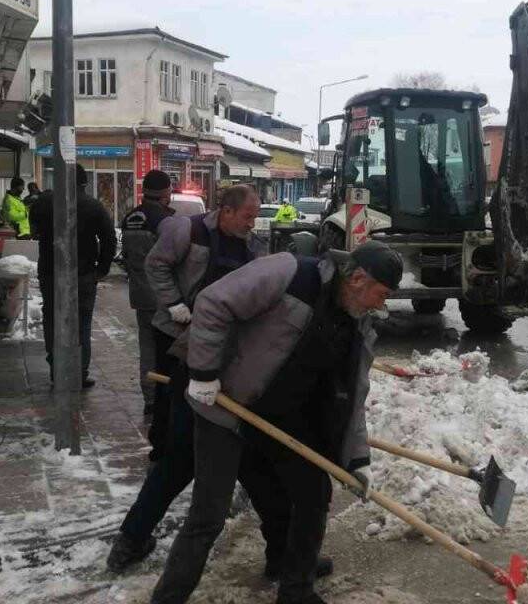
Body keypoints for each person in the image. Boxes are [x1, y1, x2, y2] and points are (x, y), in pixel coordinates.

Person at [147, 240, 403, 604]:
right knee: (209, 515)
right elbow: (213, 301)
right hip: (226, 405)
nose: (382, 305)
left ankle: (294, 587)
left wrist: (356, 458)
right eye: (381, 293)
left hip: (282, 416)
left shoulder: (358, 326)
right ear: (358, 278)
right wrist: (204, 372)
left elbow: (352, 396)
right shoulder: (291, 274)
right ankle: (167, 598)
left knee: (312, 492)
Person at [107, 185, 332, 582]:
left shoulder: (254, 249)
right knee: (180, 461)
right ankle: (131, 539)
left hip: (224, 369)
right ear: (226, 211)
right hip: (189, 358)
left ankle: (282, 553)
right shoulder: (187, 231)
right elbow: (156, 267)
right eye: (247, 215)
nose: (252, 222)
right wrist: (174, 304)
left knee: (253, 466)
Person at [29, 165, 116, 388]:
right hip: (84, 274)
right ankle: (79, 372)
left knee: (53, 320)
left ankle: (56, 371)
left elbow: (34, 231)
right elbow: (109, 239)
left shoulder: (43, 203)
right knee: (82, 323)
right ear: (83, 183)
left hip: (50, 273)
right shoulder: (94, 206)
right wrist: (102, 269)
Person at [119, 170, 177, 425]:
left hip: (140, 294)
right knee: (168, 348)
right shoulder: (166, 220)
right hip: (165, 296)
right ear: (165, 193)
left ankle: (150, 399)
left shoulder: (130, 218)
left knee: (146, 347)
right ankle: (167, 396)